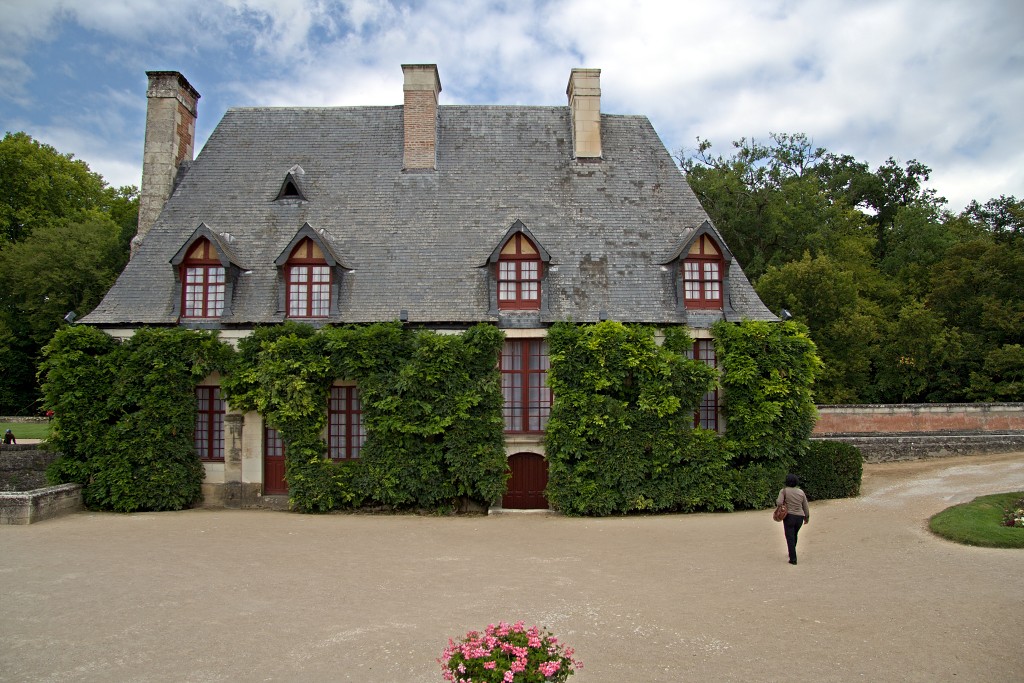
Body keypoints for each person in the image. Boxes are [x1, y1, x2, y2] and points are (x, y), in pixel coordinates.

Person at [777, 473, 809, 565]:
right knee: (794, 534)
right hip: (800, 516)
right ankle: (792, 551)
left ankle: (793, 558)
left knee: (789, 536)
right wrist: (807, 517)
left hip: (789, 516)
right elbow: (805, 506)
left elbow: (779, 502)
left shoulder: (784, 491)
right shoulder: (801, 492)